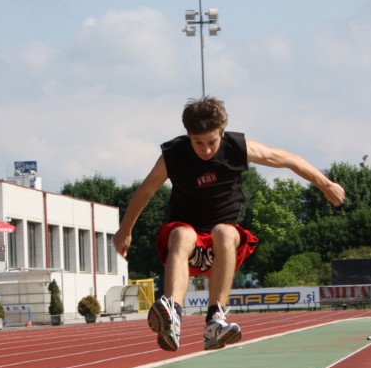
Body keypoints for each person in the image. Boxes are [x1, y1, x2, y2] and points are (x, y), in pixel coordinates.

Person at [113, 96, 345, 351]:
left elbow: (288, 159)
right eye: (197, 142)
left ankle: (215, 320)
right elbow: (145, 192)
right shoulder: (174, 156)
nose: (206, 150)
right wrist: (125, 230)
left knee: (224, 231)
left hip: (220, 243)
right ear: (188, 135)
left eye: (212, 142)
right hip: (187, 239)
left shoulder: (237, 148)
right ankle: (173, 315)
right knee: (182, 234)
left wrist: (326, 184)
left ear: (222, 133)